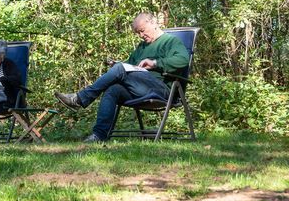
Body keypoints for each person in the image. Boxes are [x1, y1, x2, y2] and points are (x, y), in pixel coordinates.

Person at [55, 12, 190, 142]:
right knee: (113, 89)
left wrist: (155, 63)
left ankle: (80, 99)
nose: (141, 35)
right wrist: (118, 64)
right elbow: (130, 66)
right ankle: (99, 135)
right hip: (140, 88)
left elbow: (182, 60)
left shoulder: (171, 41)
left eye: (142, 30)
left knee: (119, 69)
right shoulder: (142, 47)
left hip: (161, 90)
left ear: (153, 23)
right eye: (138, 33)